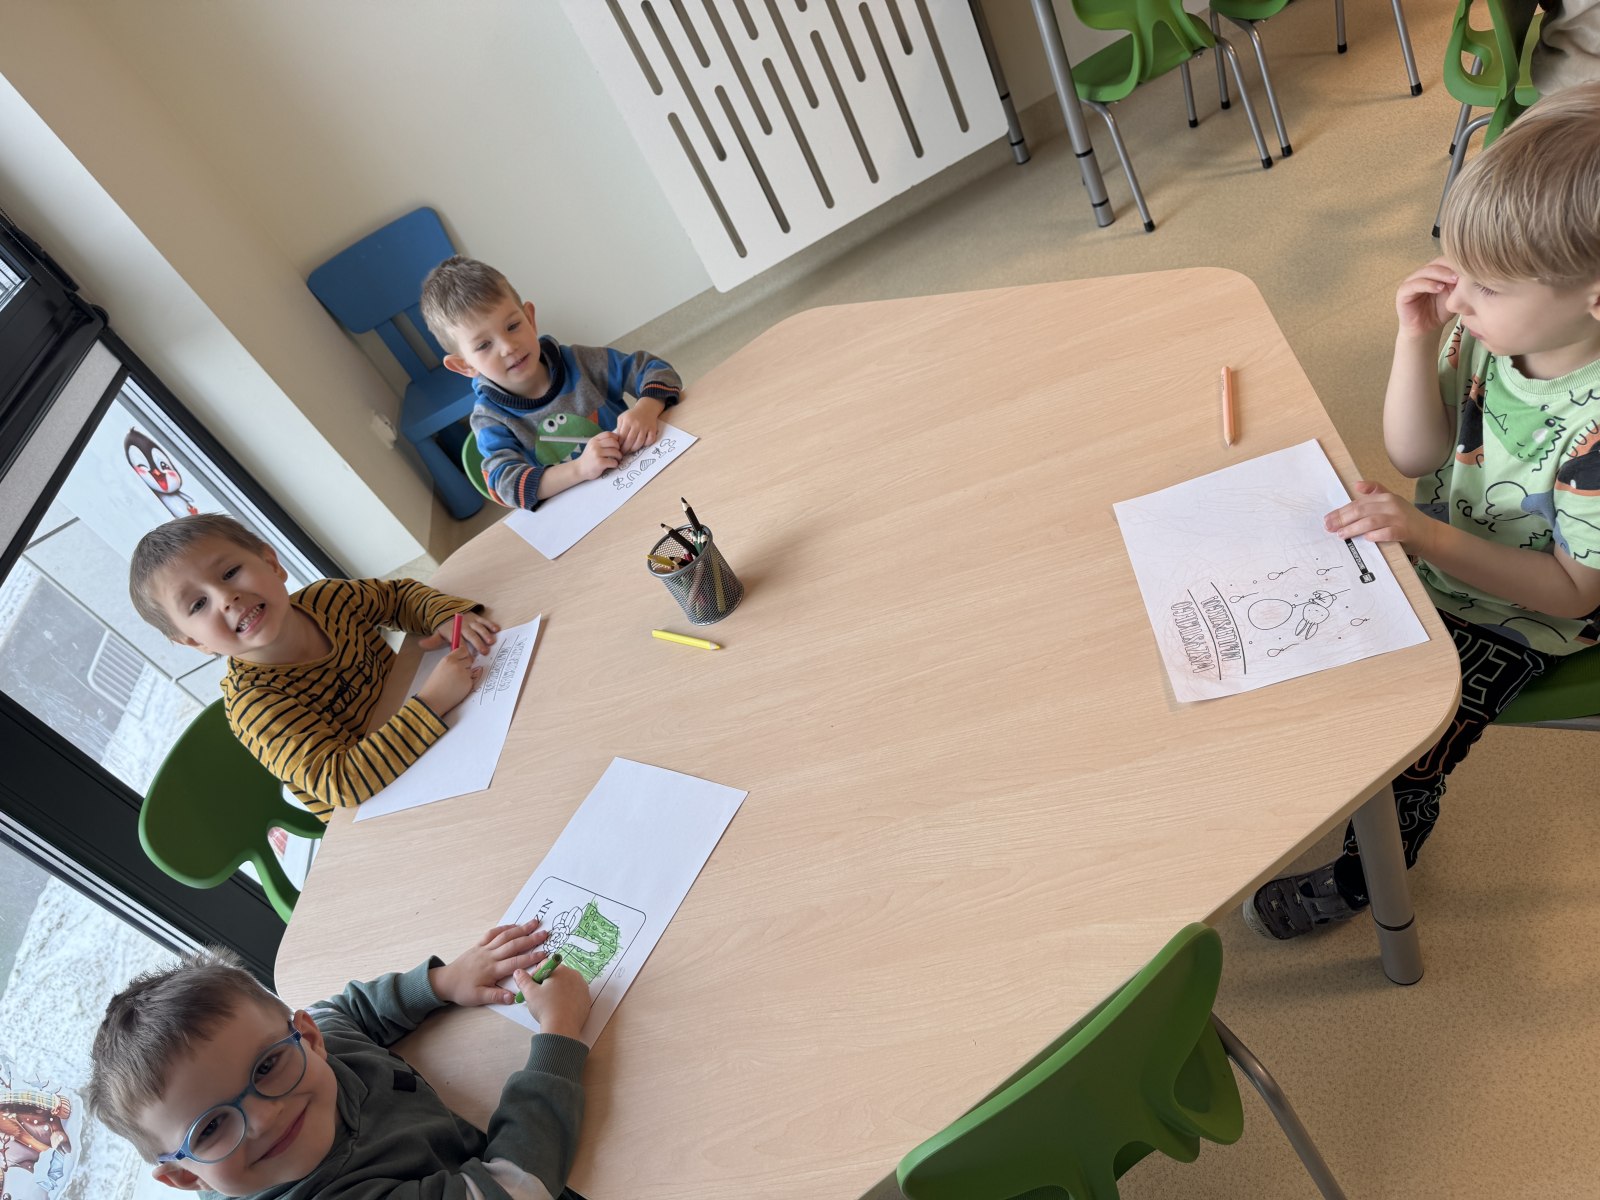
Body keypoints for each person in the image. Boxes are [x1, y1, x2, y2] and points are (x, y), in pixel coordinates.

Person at [1245, 81, 1600, 938]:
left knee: (1406, 748)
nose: (1459, 298)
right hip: (1437, 549)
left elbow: (1571, 593)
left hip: (1527, 616)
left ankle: (1372, 871)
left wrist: (1427, 537)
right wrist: (1416, 338)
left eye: (1491, 286)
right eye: (1457, 268)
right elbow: (1416, 456)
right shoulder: (1482, 330)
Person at [85, 918, 591, 1199]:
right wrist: (559, 1033)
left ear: (307, 1037)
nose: (263, 1118)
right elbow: (513, 1189)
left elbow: (343, 1009)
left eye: (265, 1067)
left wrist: (442, 982)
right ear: (185, 1177)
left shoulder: (309, 1038)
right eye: (211, 1127)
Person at [129, 513, 499, 821]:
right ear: (195, 643)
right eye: (198, 605)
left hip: (440, 740)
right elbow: (344, 782)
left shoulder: (327, 599)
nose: (227, 598)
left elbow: (397, 598)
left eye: (229, 573)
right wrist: (433, 701)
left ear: (272, 564)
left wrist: (442, 615)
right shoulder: (255, 705)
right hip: (386, 814)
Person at [420, 256, 682, 511]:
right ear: (464, 366)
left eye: (512, 326)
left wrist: (646, 409)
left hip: (645, 480)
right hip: (584, 516)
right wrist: (580, 469)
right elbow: (506, 486)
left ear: (530, 319)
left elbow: (655, 370)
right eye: (484, 345)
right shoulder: (489, 419)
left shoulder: (579, 361)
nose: (508, 347)